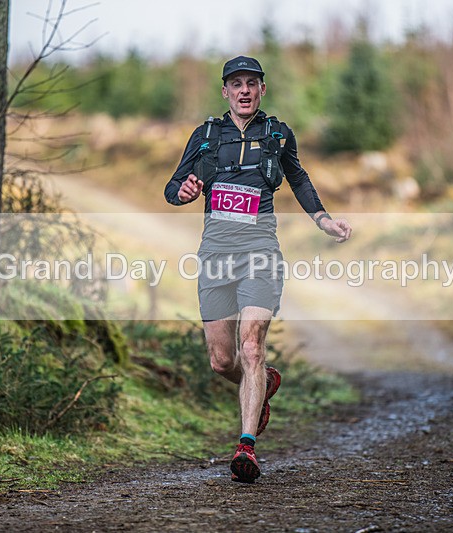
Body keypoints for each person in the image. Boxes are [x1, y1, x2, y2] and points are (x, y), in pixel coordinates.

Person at [164, 55, 352, 483]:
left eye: (252, 83)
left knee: (251, 345)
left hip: (260, 251)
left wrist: (323, 219)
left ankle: (246, 446)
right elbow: (173, 186)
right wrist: (185, 191)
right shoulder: (206, 134)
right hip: (215, 253)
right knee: (221, 359)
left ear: (262, 90)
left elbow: (299, 179)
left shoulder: (278, 134)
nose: (245, 90)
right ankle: (264, 381)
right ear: (225, 91)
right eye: (237, 84)